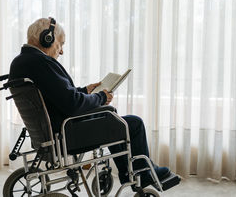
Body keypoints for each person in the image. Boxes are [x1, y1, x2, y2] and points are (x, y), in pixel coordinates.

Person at [9, 17, 170, 188]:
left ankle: (127, 172)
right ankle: (143, 174)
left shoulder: (22, 62)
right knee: (133, 123)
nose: (61, 51)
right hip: (68, 134)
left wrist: (85, 90)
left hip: (55, 132)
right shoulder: (41, 62)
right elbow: (72, 104)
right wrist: (100, 97)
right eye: (61, 44)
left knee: (112, 117)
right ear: (47, 38)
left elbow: (56, 95)